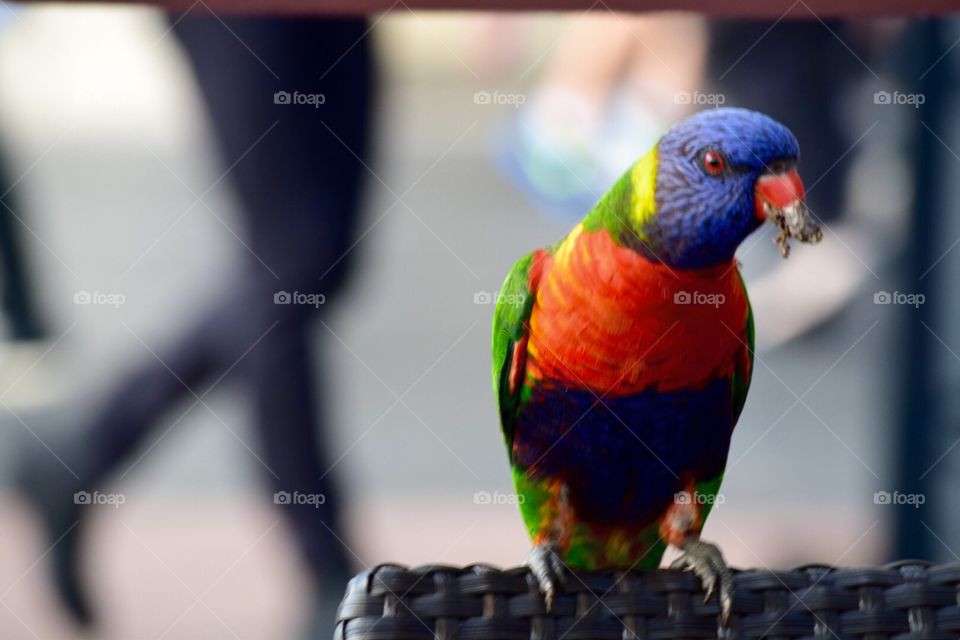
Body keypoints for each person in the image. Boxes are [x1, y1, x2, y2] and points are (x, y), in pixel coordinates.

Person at [13, 14, 373, 635]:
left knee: (317, 262)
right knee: (291, 263)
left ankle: (85, 446)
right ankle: (327, 580)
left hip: (337, 15)